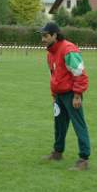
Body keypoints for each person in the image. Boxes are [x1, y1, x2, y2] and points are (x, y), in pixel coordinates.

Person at [38, 22, 91, 171]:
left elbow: (80, 73)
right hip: (59, 96)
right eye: (42, 36)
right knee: (59, 126)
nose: (43, 39)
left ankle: (83, 159)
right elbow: (53, 75)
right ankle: (57, 152)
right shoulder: (50, 52)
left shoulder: (68, 49)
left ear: (55, 35)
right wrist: (54, 95)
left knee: (78, 125)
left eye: (45, 36)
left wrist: (77, 95)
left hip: (71, 94)